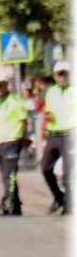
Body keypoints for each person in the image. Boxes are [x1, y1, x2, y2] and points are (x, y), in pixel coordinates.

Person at [0, 66, 30, 216]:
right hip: (0, 142)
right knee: (7, 174)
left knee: (9, 175)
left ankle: (6, 205)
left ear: (7, 85)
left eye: (0, 84)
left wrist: (24, 138)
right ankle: (16, 205)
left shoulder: (15, 101)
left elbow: (23, 120)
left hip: (12, 141)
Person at [41, 61, 71, 215]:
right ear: (54, 76)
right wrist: (47, 115)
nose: (63, 77)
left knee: (68, 172)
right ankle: (59, 197)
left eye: (66, 73)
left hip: (69, 134)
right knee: (45, 168)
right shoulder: (51, 92)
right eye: (60, 74)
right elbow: (48, 110)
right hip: (53, 134)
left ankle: (69, 204)